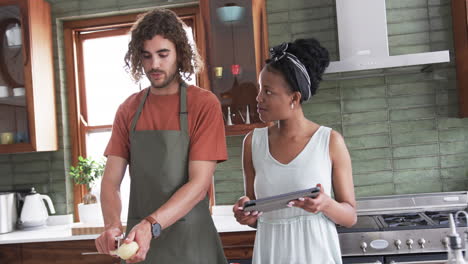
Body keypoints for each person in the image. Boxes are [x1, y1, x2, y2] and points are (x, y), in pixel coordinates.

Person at [95, 8, 228, 264]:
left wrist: (151, 225)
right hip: (140, 247)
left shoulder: (203, 104)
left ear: (179, 53)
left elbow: (199, 185)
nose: (154, 64)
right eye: (146, 56)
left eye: (162, 54)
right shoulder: (129, 109)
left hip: (192, 243)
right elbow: (111, 181)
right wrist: (111, 225)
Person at [233, 38, 357, 264]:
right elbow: (256, 213)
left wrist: (325, 204)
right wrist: (245, 213)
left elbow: (350, 217)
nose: (258, 97)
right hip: (271, 253)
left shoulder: (329, 141)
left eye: (268, 92)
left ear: (294, 98)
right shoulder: (253, 143)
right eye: (260, 88)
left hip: (316, 254)